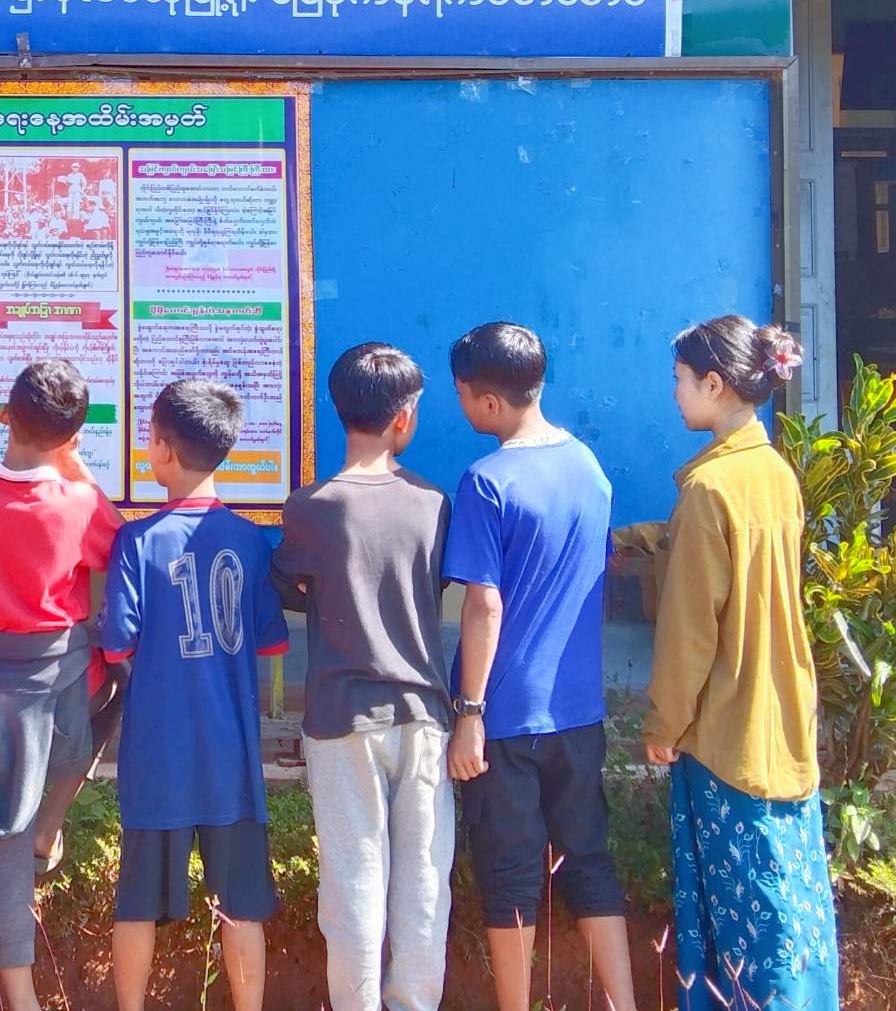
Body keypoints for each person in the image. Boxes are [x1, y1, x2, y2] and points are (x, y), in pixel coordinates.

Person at [643, 316, 838, 1011]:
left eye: (679, 380)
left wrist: (663, 723)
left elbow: (690, 631)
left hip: (724, 731)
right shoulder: (774, 473)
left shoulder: (709, 489)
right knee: (789, 897)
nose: (674, 393)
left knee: (738, 912)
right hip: (781, 718)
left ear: (714, 384)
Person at [441, 322, 637, 1011]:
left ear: (488, 401)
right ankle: (623, 1001)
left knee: (511, 877)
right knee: (589, 862)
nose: (461, 403)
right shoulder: (589, 467)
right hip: (578, 711)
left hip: (506, 717)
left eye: (462, 392)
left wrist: (469, 713)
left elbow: (484, 604)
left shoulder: (486, 482)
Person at [0, 359, 123, 1011]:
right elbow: (120, 547)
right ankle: (54, 819)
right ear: (73, 438)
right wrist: (80, 471)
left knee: (6, 847)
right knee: (118, 688)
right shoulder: (79, 501)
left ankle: (22, 999)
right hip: (67, 681)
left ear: (4, 416)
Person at [273, 343, 453, 1011]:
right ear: (405, 417)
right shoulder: (433, 503)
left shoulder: (311, 506)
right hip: (425, 716)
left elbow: (289, 583)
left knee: (353, 882)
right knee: (425, 878)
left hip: (341, 717)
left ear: (338, 409)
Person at [101, 379, 287, 1011]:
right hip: (232, 757)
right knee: (241, 905)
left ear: (162, 448)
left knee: (137, 904)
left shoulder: (136, 541)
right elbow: (271, 642)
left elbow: (117, 645)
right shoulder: (250, 540)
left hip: (158, 756)